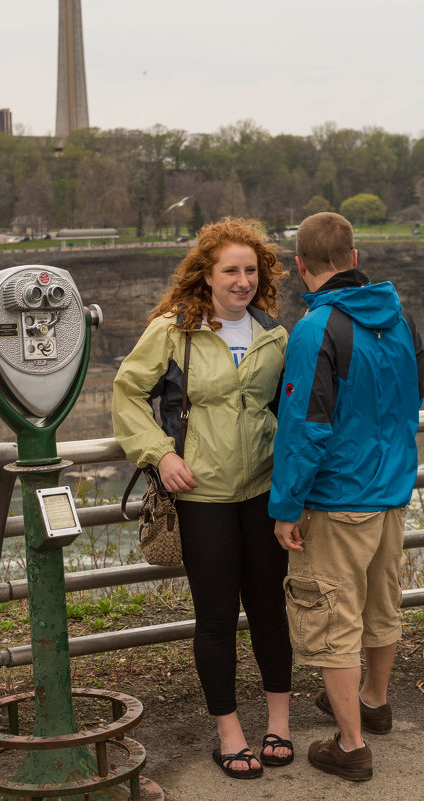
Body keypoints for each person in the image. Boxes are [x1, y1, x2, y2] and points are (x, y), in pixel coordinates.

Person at [112, 217, 293, 780]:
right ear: (206, 276)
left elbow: (284, 412)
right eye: (230, 271)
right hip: (202, 498)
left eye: (250, 270)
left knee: (269, 612)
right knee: (215, 619)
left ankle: (279, 725)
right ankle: (230, 732)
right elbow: (127, 394)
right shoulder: (174, 330)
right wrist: (160, 455)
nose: (242, 280)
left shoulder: (274, 334)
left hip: (262, 493)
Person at [269, 212, 424, 781]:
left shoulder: (316, 329)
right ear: (355, 259)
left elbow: (304, 427)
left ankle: (352, 747)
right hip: (390, 491)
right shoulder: (399, 317)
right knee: (381, 604)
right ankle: (375, 703)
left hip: (337, 498)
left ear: (300, 266)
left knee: (331, 619)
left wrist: (286, 507)